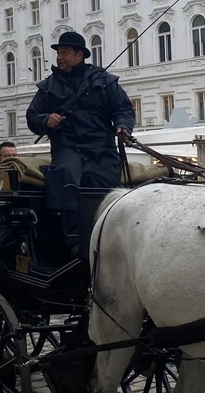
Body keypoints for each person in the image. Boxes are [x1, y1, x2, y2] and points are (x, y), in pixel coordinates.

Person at [26, 31, 135, 255]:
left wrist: (123, 126)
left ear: (79, 55)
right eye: (58, 53)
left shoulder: (103, 81)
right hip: (68, 147)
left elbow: (123, 108)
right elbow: (32, 116)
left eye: (64, 52)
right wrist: (46, 119)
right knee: (66, 174)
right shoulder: (48, 86)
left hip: (101, 147)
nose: (59, 57)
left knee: (102, 180)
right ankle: (74, 239)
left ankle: (105, 234)